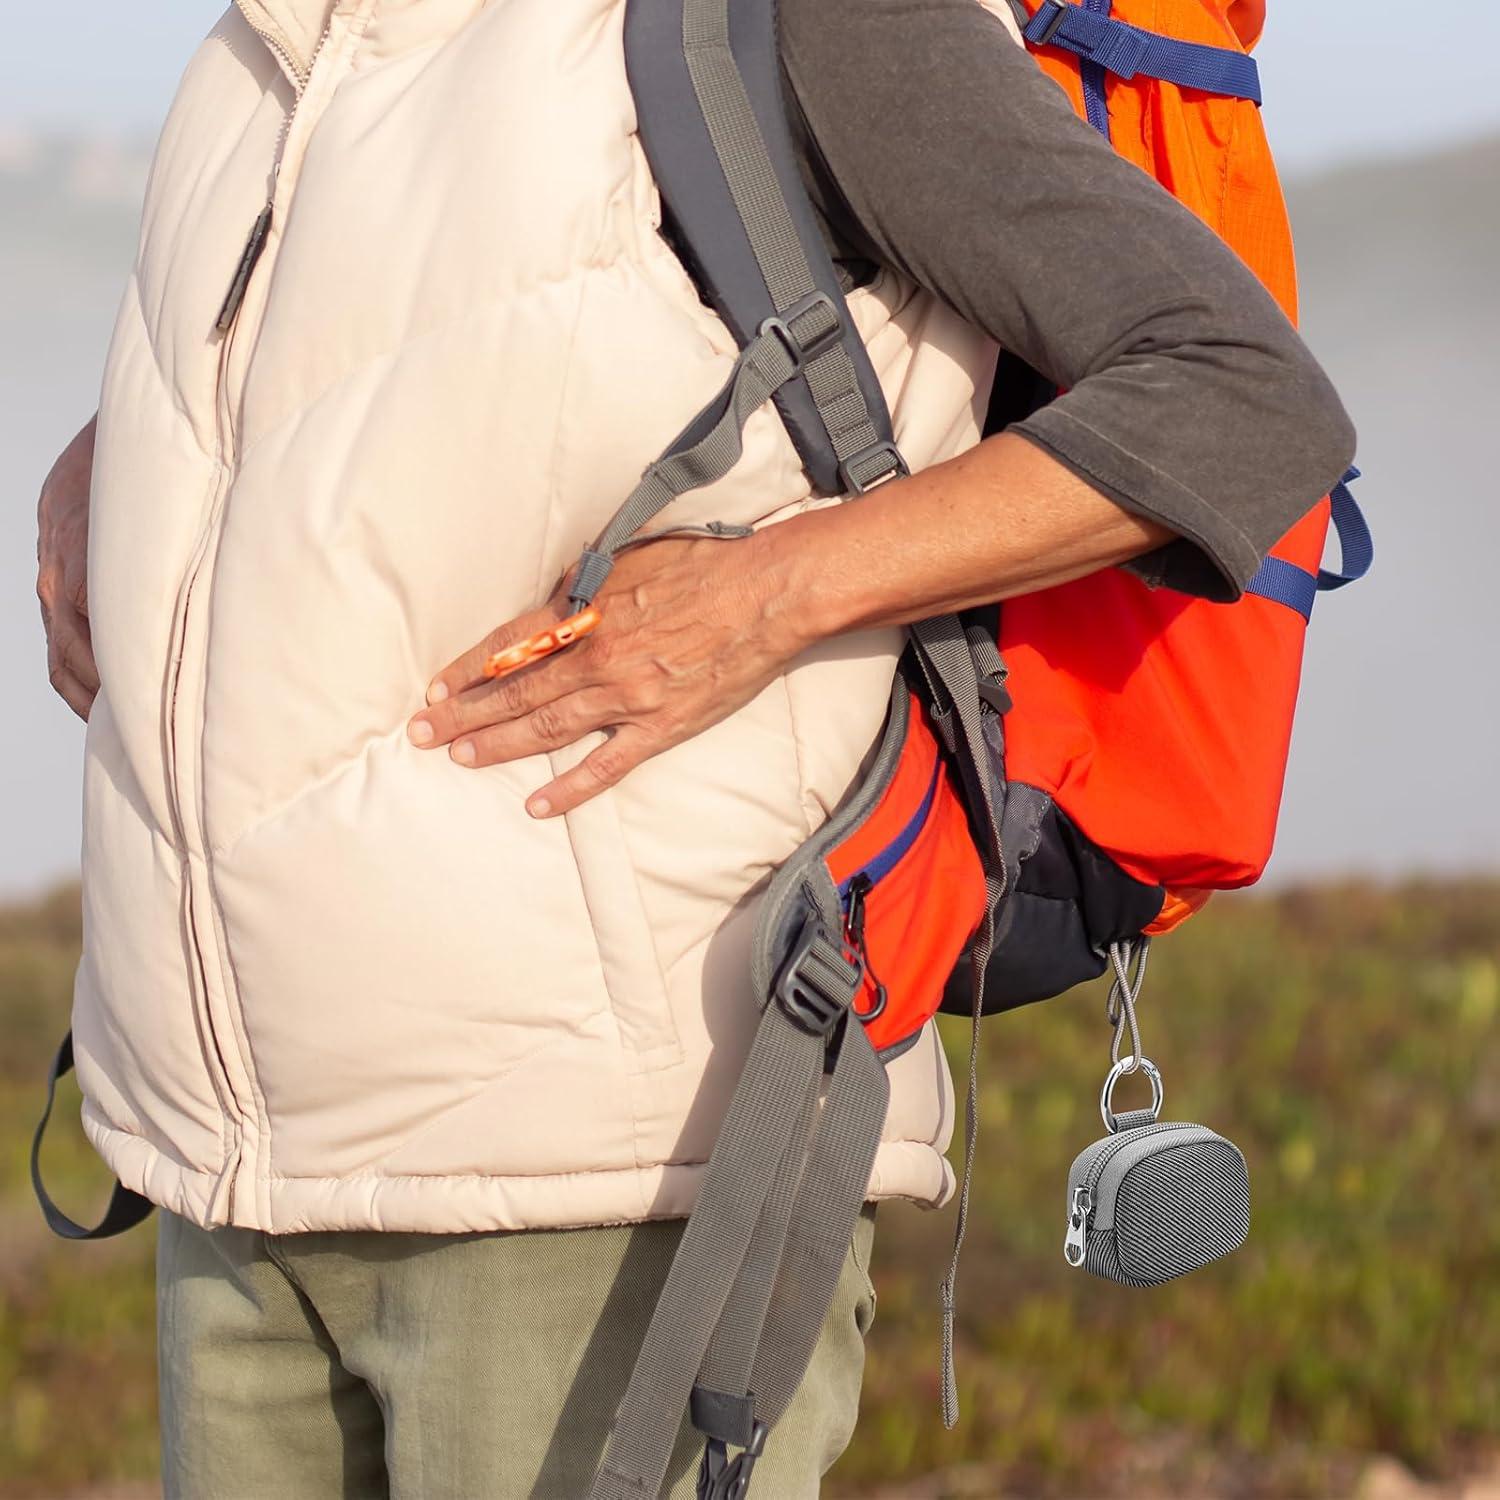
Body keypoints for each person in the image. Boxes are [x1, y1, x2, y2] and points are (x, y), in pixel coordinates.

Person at [33, 0, 1354, 1494]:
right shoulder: (260, 58)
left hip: (612, 1195)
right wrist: (117, 464)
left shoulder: (797, 17)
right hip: (225, 1179)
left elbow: (1237, 396)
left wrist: (775, 592)